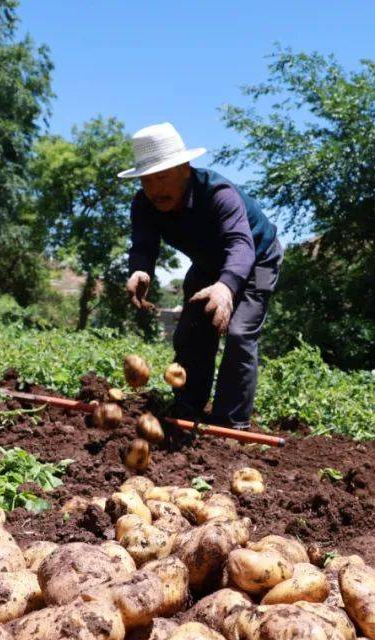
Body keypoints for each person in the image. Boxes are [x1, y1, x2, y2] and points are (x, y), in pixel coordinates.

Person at [119, 122, 283, 430]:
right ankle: (187, 405)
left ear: (184, 169)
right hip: (208, 265)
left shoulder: (219, 194)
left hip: (258, 258)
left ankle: (231, 424)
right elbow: (143, 244)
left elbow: (241, 246)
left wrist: (225, 288)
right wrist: (140, 270)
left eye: (162, 177)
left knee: (239, 333)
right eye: (147, 181)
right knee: (191, 331)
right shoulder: (144, 204)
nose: (155, 189)